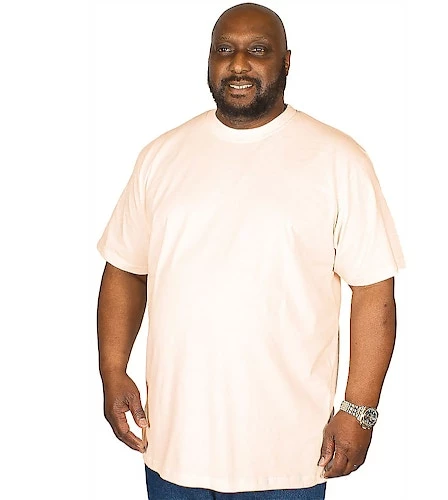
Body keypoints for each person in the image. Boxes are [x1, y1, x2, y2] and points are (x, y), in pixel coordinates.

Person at [96, 2, 406, 499]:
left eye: (257, 50)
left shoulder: (337, 159)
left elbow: (374, 291)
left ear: (286, 61)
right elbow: (126, 269)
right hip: (172, 449)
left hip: (289, 459)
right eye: (225, 50)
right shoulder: (161, 156)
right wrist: (113, 370)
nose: (238, 64)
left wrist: (359, 410)